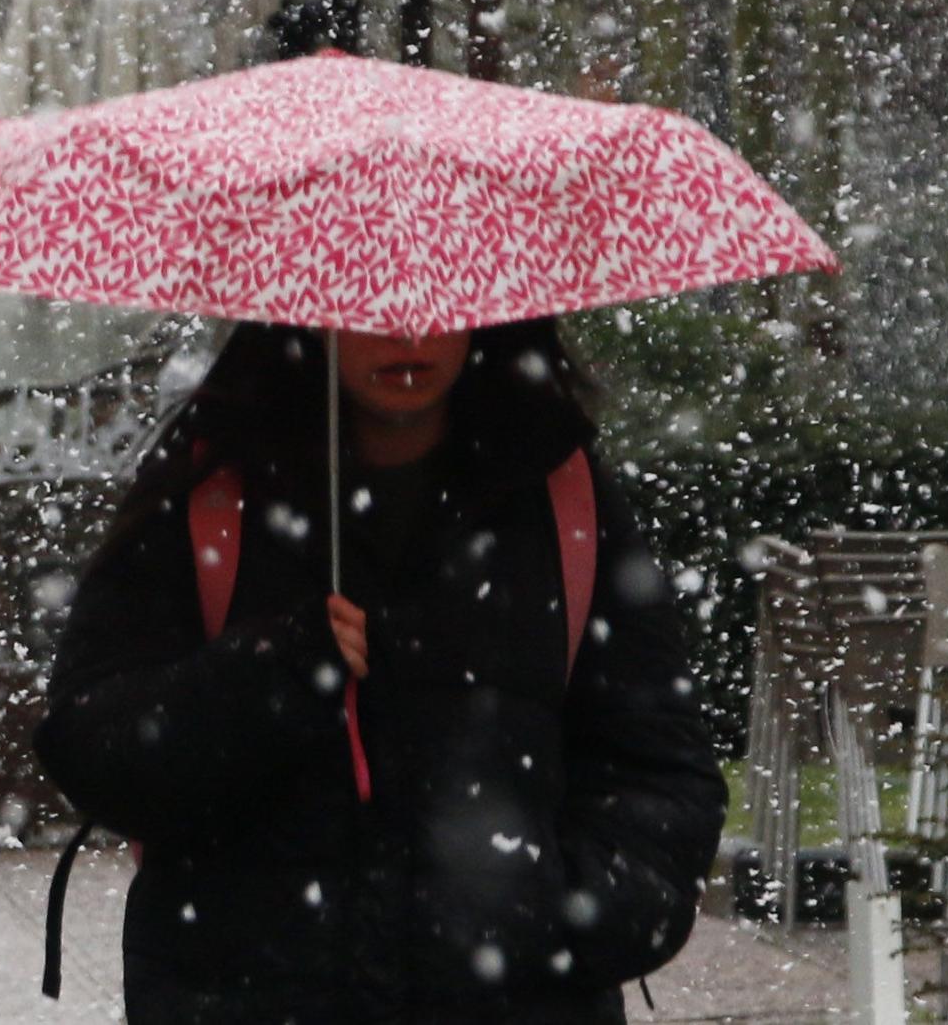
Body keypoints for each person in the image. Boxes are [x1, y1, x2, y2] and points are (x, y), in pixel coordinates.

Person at [36, 320, 727, 1022]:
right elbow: (94, 747)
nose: (408, 330)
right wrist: (268, 677)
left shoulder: (559, 496)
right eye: (374, 308)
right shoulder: (210, 499)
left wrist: (561, 912)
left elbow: (659, 767)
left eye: (438, 294)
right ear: (308, 308)